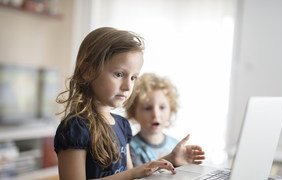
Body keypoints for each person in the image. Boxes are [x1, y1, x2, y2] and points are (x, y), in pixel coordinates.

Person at [54, 27, 205, 180]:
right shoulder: (74, 128)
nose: (128, 87)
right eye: (119, 74)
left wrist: (171, 159)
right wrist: (133, 173)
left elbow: (131, 176)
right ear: (88, 71)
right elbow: (130, 174)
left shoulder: (122, 124)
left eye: (133, 77)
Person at [126, 73, 180, 166]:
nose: (155, 114)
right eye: (147, 108)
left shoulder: (175, 145)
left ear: (171, 109)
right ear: (133, 112)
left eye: (162, 107)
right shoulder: (130, 148)